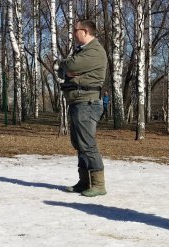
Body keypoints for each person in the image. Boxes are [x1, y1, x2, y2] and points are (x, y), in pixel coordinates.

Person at [59, 19, 108, 197]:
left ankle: (98, 184)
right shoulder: (83, 52)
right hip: (78, 101)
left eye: (75, 30)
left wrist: (67, 66)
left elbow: (70, 66)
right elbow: (64, 70)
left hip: (87, 102)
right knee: (79, 144)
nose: (73, 33)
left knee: (87, 144)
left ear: (85, 32)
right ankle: (84, 181)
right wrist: (67, 67)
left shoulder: (94, 50)